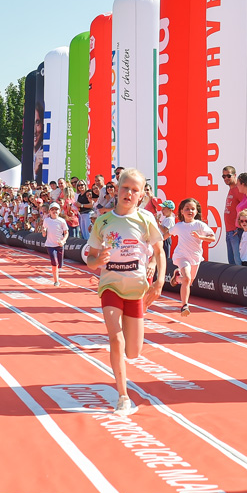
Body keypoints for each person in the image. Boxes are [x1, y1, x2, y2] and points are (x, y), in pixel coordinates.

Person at [83, 168, 165, 416]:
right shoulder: (103, 221)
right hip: (111, 286)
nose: (129, 193)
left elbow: (159, 252)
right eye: (125, 188)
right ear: (117, 190)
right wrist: (97, 262)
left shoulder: (145, 220)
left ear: (141, 195)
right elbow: (91, 259)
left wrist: (159, 282)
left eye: (134, 190)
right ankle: (123, 395)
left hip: (136, 288)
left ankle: (124, 383)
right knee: (115, 339)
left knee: (133, 351)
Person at [167, 198, 215, 315]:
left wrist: (200, 237)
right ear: (182, 211)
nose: (190, 211)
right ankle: (184, 306)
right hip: (181, 256)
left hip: (195, 257)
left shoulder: (200, 225)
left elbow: (212, 238)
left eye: (193, 209)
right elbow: (166, 234)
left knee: (188, 281)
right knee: (187, 278)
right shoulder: (179, 226)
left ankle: (177, 277)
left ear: (196, 211)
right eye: (187, 209)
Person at [41, 202, 69, 287]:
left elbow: (66, 232)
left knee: (59, 265)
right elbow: (43, 234)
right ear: (49, 211)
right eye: (52, 209)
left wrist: (63, 241)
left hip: (59, 245)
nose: (54, 211)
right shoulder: (46, 220)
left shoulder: (62, 221)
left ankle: (56, 276)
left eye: (56, 209)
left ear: (59, 211)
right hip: (50, 245)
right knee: (54, 262)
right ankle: (56, 281)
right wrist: (44, 231)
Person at [219, 165, 240, 264]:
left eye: (228, 176)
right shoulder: (231, 189)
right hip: (229, 231)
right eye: (224, 176)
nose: (226, 178)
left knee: (238, 263)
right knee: (231, 263)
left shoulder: (239, 189)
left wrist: (239, 228)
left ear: (235, 175)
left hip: (235, 232)